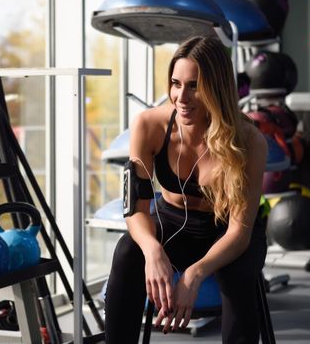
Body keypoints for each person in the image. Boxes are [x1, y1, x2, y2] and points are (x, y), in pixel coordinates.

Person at [104, 35, 268, 344]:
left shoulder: (249, 141)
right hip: (172, 221)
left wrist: (193, 275)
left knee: (237, 274)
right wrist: (152, 251)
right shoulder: (149, 126)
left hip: (227, 232)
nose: (181, 96)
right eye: (176, 83)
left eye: (194, 85)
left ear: (216, 88)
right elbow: (135, 209)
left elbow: (239, 233)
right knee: (129, 251)